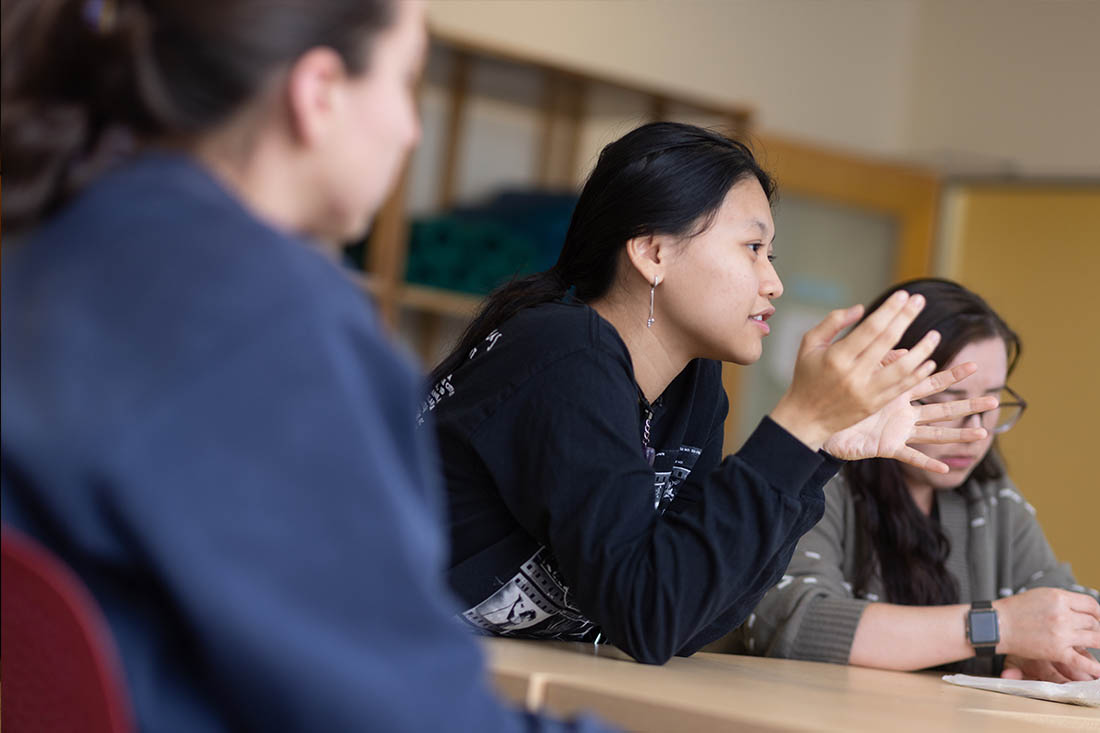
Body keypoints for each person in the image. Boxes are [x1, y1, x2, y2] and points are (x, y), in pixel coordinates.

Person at [0, 0, 607, 730]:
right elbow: (404, 715)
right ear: (317, 91)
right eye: (405, 81)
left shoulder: (48, 252)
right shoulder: (266, 320)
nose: (411, 130)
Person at [423, 122, 997, 665]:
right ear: (653, 253)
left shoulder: (692, 384)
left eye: (769, 256)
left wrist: (816, 449)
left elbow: (690, 618)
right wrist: (795, 427)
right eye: (752, 248)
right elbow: (648, 617)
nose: (772, 281)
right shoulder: (564, 353)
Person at [715, 278, 1100, 681]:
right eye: (950, 400)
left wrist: (1041, 653)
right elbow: (793, 620)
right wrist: (998, 628)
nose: (977, 430)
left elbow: (1071, 617)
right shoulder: (818, 473)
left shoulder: (991, 495)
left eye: (991, 402)